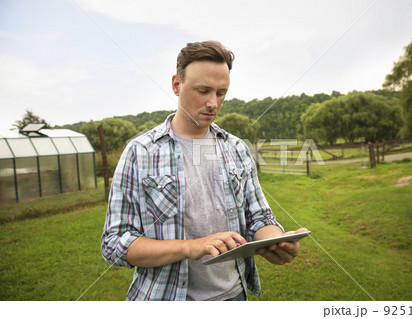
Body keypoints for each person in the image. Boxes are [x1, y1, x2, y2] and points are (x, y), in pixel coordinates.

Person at [101, 40, 308, 301]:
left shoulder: (237, 149)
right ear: (176, 85)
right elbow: (115, 243)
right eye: (203, 90)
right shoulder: (139, 152)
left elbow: (260, 217)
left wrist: (275, 241)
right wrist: (191, 247)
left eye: (221, 93)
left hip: (233, 297)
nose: (213, 103)